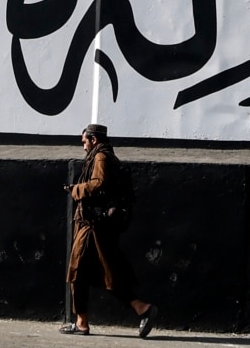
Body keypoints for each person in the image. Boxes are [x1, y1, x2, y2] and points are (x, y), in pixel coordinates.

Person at [59, 124, 158, 338]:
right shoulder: (106, 156)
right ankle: (138, 309)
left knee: (78, 270)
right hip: (96, 225)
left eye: (85, 141)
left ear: (94, 140)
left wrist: (75, 190)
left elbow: (99, 183)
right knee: (103, 272)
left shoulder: (101, 158)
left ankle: (85, 321)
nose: (83, 146)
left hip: (92, 225)